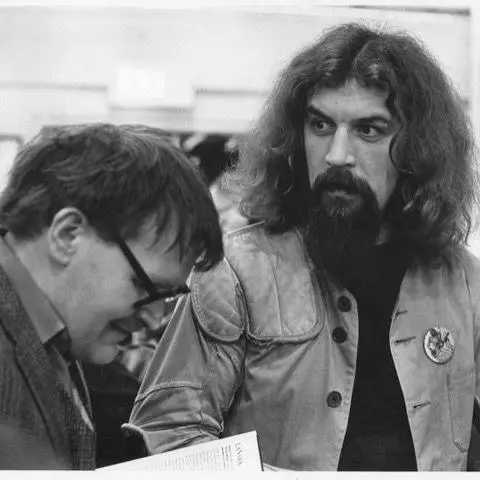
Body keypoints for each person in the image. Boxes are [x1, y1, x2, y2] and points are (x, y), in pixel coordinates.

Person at [126, 22, 480, 471]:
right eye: (320, 125)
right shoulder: (234, 272)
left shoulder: (465, 283)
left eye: (369, 130)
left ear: (417, 150)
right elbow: (165, 435)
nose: (336, 155)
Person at [0, 123, 223, 469]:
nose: (152, 317)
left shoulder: (57, 338)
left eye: (169, 295)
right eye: (144, 286)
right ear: (68, 234)